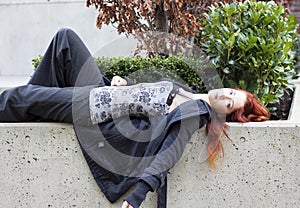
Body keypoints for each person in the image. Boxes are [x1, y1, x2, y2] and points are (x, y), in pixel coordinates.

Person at [0, 28, 270, 208]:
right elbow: (145, 99)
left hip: (102, 118)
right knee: (65, 41)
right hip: (107, 96)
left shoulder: (197, 111)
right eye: (231, 91)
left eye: (229, 102)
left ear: (225, 114)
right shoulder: (193, 94)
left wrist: (141, 191)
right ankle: (34, 107)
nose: (224, 94)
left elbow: (172, 149)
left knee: (23, 98)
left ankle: (29, 104)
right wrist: (124, 83)